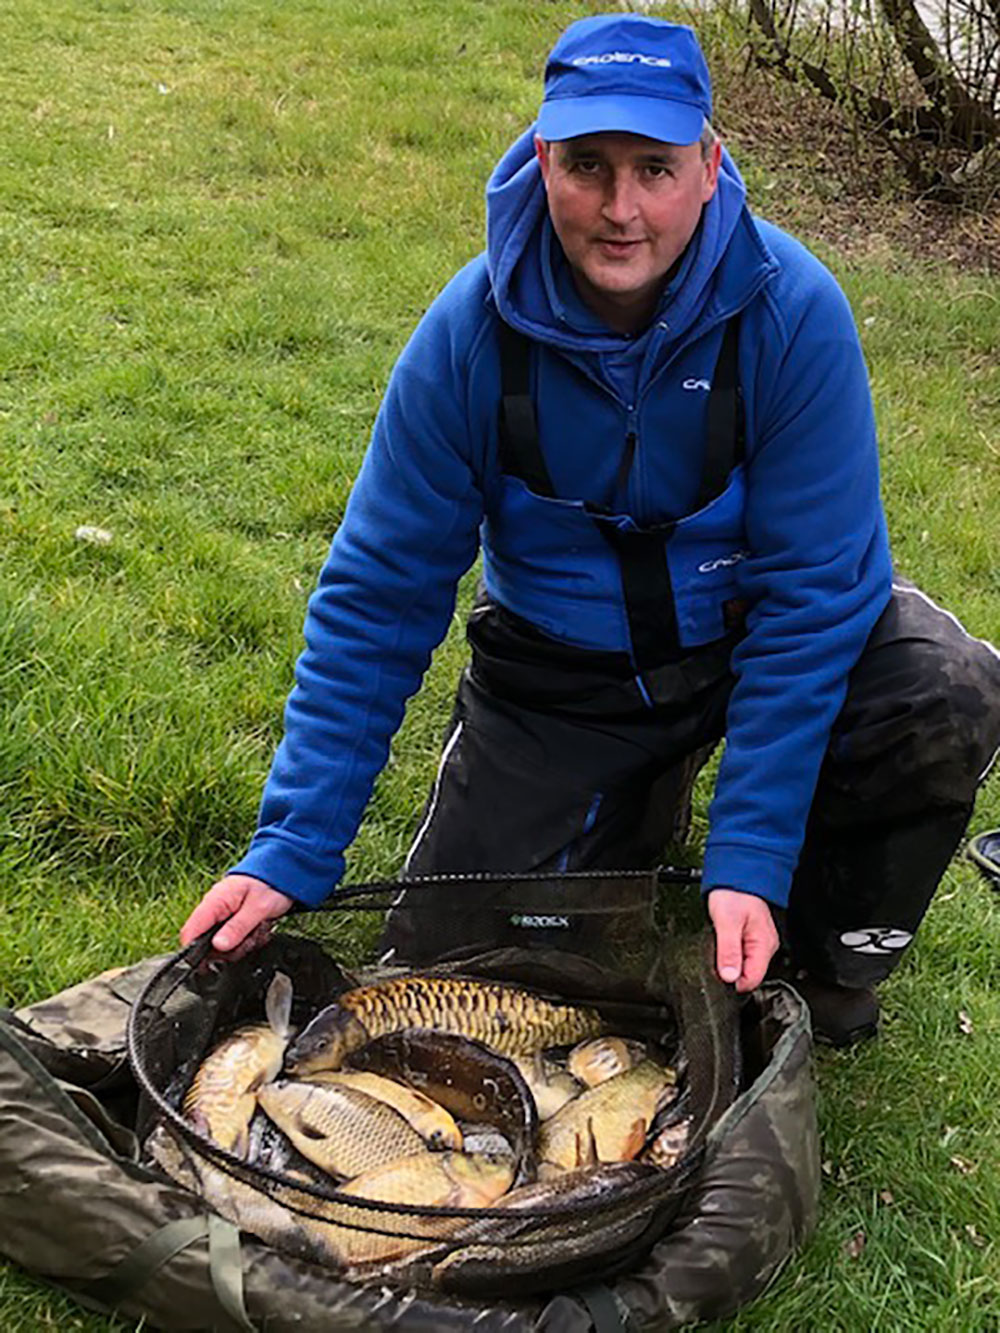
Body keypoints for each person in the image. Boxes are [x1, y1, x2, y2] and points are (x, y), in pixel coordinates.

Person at [181, 13, 1000, 1046]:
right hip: (564, 683)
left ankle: (823, 954)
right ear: (542, 162)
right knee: (442, 987)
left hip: (749, 642)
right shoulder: (467, 336)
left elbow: (812, 600)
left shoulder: (795, 316)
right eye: (588, 166)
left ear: (708, 167)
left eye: (654, 168)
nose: (621, 209)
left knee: (941, 685)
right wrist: (289, 848)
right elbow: (380, 595)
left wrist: (750, 853)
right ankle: (630, 804)